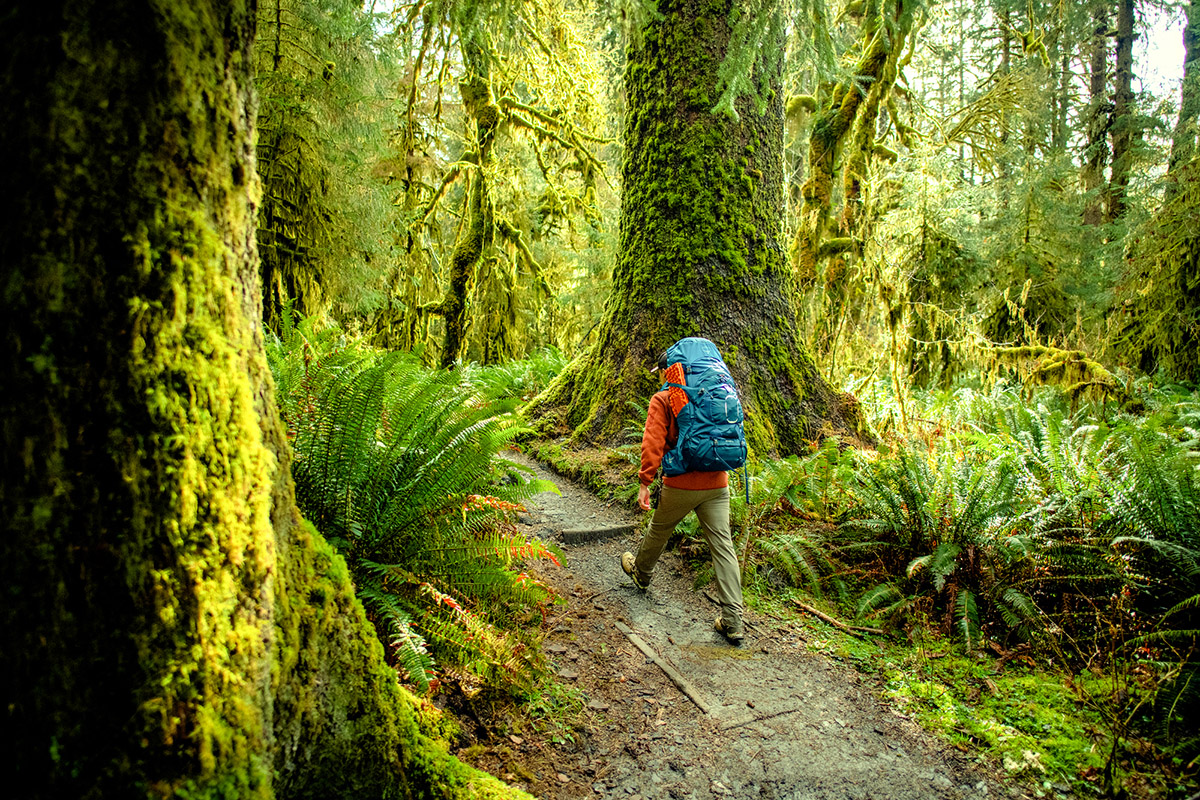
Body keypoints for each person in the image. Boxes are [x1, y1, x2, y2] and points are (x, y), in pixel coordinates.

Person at [620, 348, 745, 644]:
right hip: (718, 483)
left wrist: (644, 481)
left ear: (667, 372)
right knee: (723, 547)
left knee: (660, 529)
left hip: (681, 484)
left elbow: (653, 441)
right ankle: (733, 621)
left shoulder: (664, 399)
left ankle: (642, 573)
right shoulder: (710, 393)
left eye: (661, 372)